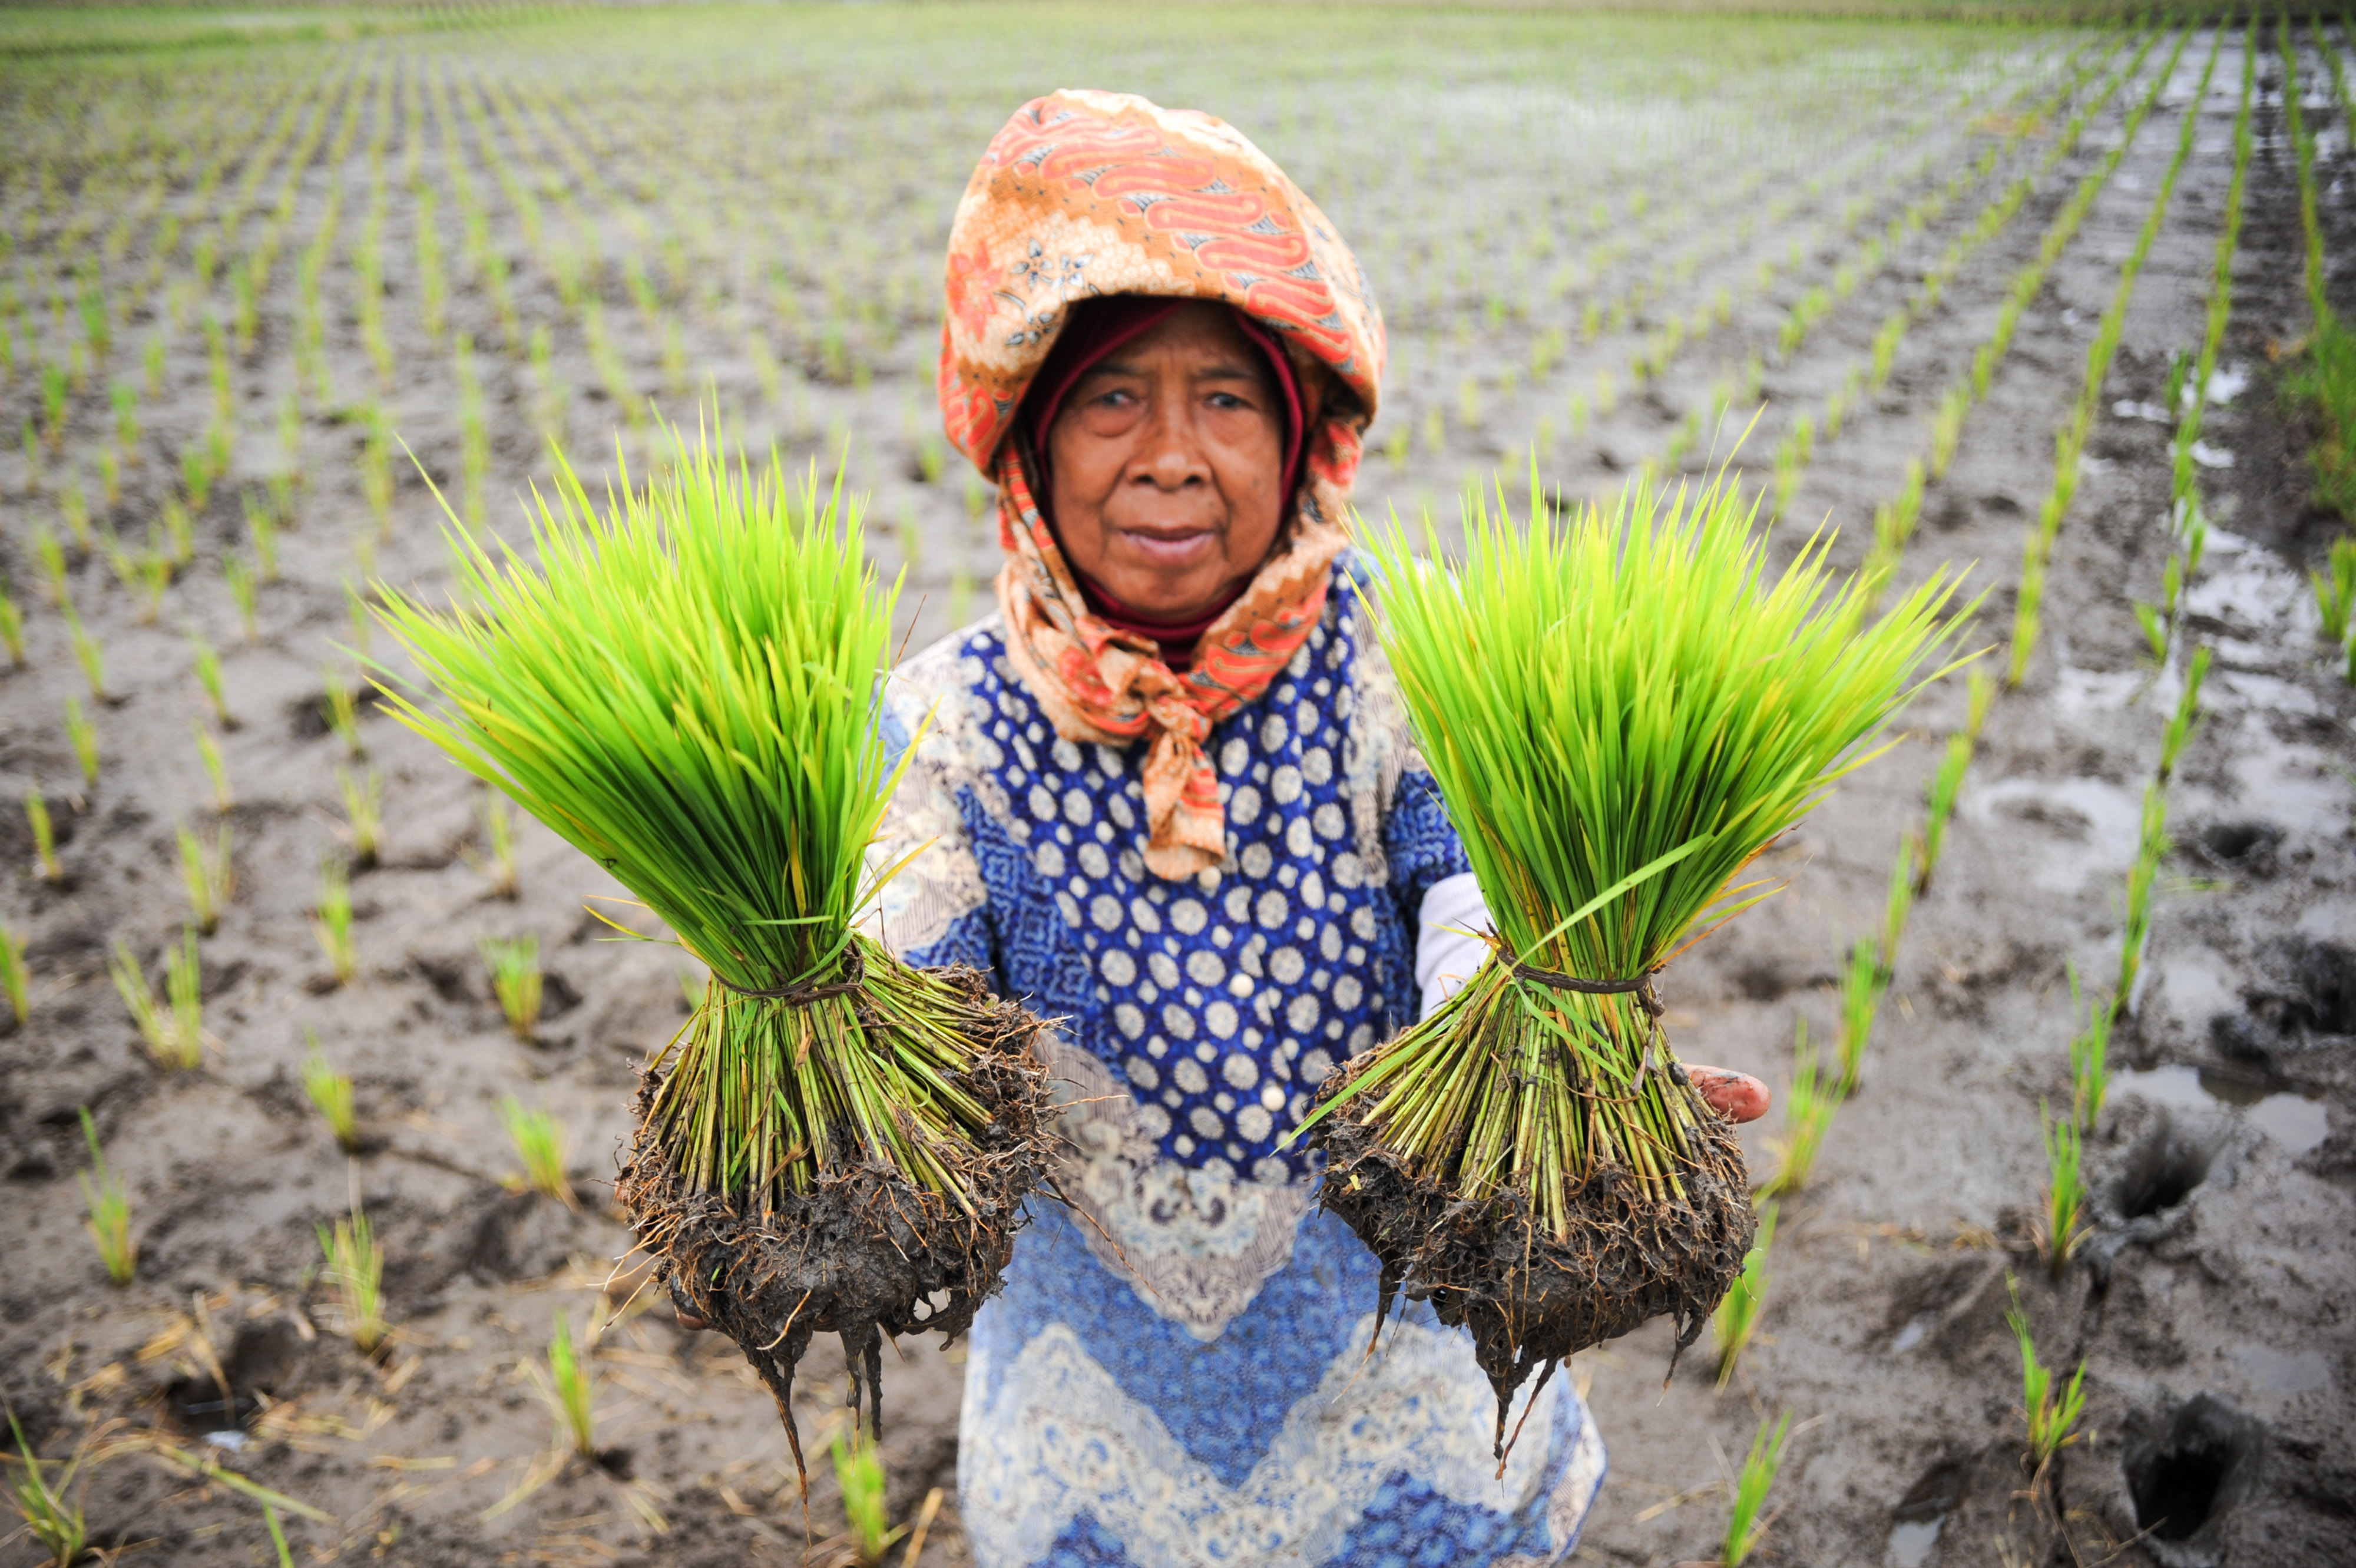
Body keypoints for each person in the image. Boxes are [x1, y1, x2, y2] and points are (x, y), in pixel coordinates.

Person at [699, 90, 1768, 1567]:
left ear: (1300, 429)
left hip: (1413, 1427)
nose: (1170, 455)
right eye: (1111, 398)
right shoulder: (935, 722)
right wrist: (804, 1065)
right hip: (1088, 1450)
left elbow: (1477, 899)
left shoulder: (1422, 671)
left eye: (1225, 398)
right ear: (1028, 440)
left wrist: (1560, 1066)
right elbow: (902, 964)